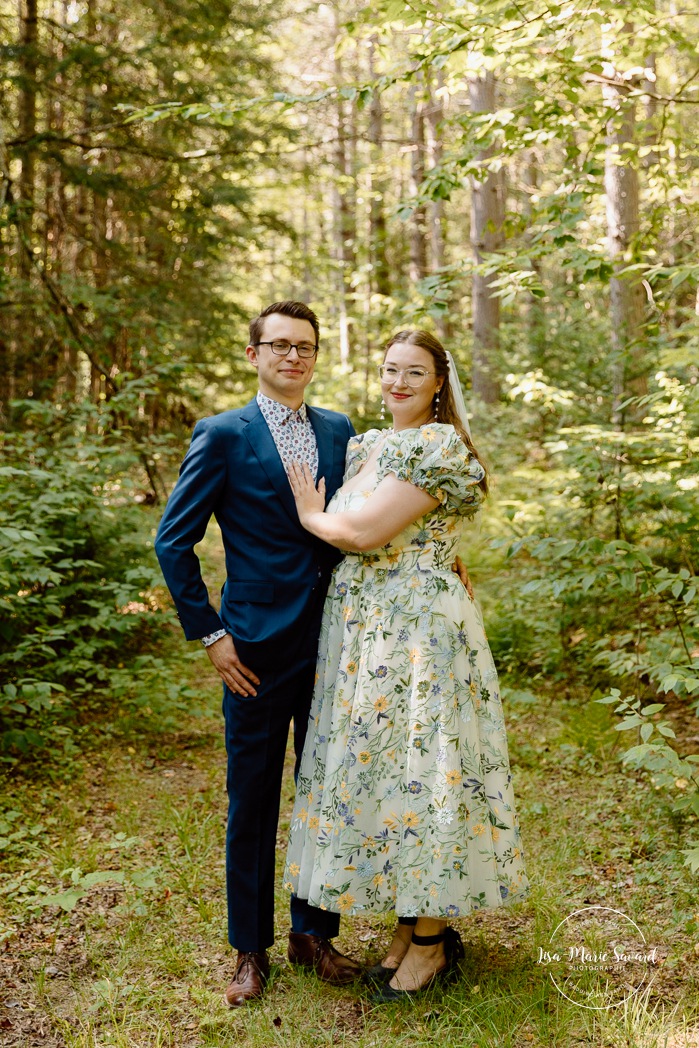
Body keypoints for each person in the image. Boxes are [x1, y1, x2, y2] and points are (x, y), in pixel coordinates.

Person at [283, 329, 529, 1002]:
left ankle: (430, 940)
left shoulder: (436, 447)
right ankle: (408, 925)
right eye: (389, 369)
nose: (397, 382)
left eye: (412, 372)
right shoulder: (366, 445)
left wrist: (310, 511)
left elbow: (363, 533)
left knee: (425, 769)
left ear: (437, 383)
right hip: (366, 628)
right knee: (387, 773)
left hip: (416, 631)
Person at [154, 301, 363, 1007]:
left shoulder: (339, 430)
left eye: (304, 347)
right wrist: (211, 633)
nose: (293, 357)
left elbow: (360, 524)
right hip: (254, 649)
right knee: (252, 800)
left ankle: (314, 933)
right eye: (278, 345)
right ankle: (250, 949)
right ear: (254, 354)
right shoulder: (221, 435)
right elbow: (171, 542)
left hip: (332, 641)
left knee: (323, 794)